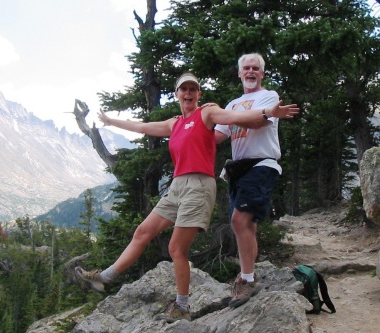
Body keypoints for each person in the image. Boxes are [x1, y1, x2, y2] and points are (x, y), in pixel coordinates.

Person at [75, 72, 298, 322]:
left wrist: (268, 113)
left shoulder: (208, 114)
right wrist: (111, 121)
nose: (189, 93)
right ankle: (103, 278)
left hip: (199, 186)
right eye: (184, 89)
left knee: (176, 247)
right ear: (177, 94)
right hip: (178, 186)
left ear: (199, 94)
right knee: (142, 232)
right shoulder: (175, 123)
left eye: (193, 89)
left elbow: (237, 117)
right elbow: (144, 127)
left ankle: (182, 305)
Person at [214, 53, 287, 308]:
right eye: (246, 68)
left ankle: (246, 280)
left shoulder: (269, 97)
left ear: (262, 74)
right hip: (239, 169)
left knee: (239, 219)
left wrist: (221, 115)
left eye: (256, 68)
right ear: (239, 73)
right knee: (248, 225)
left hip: (262, 163)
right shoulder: (232, 104)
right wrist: (187, 131)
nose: (251, 71)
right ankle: (249, 275)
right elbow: (217, 136)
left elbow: (257, 122)